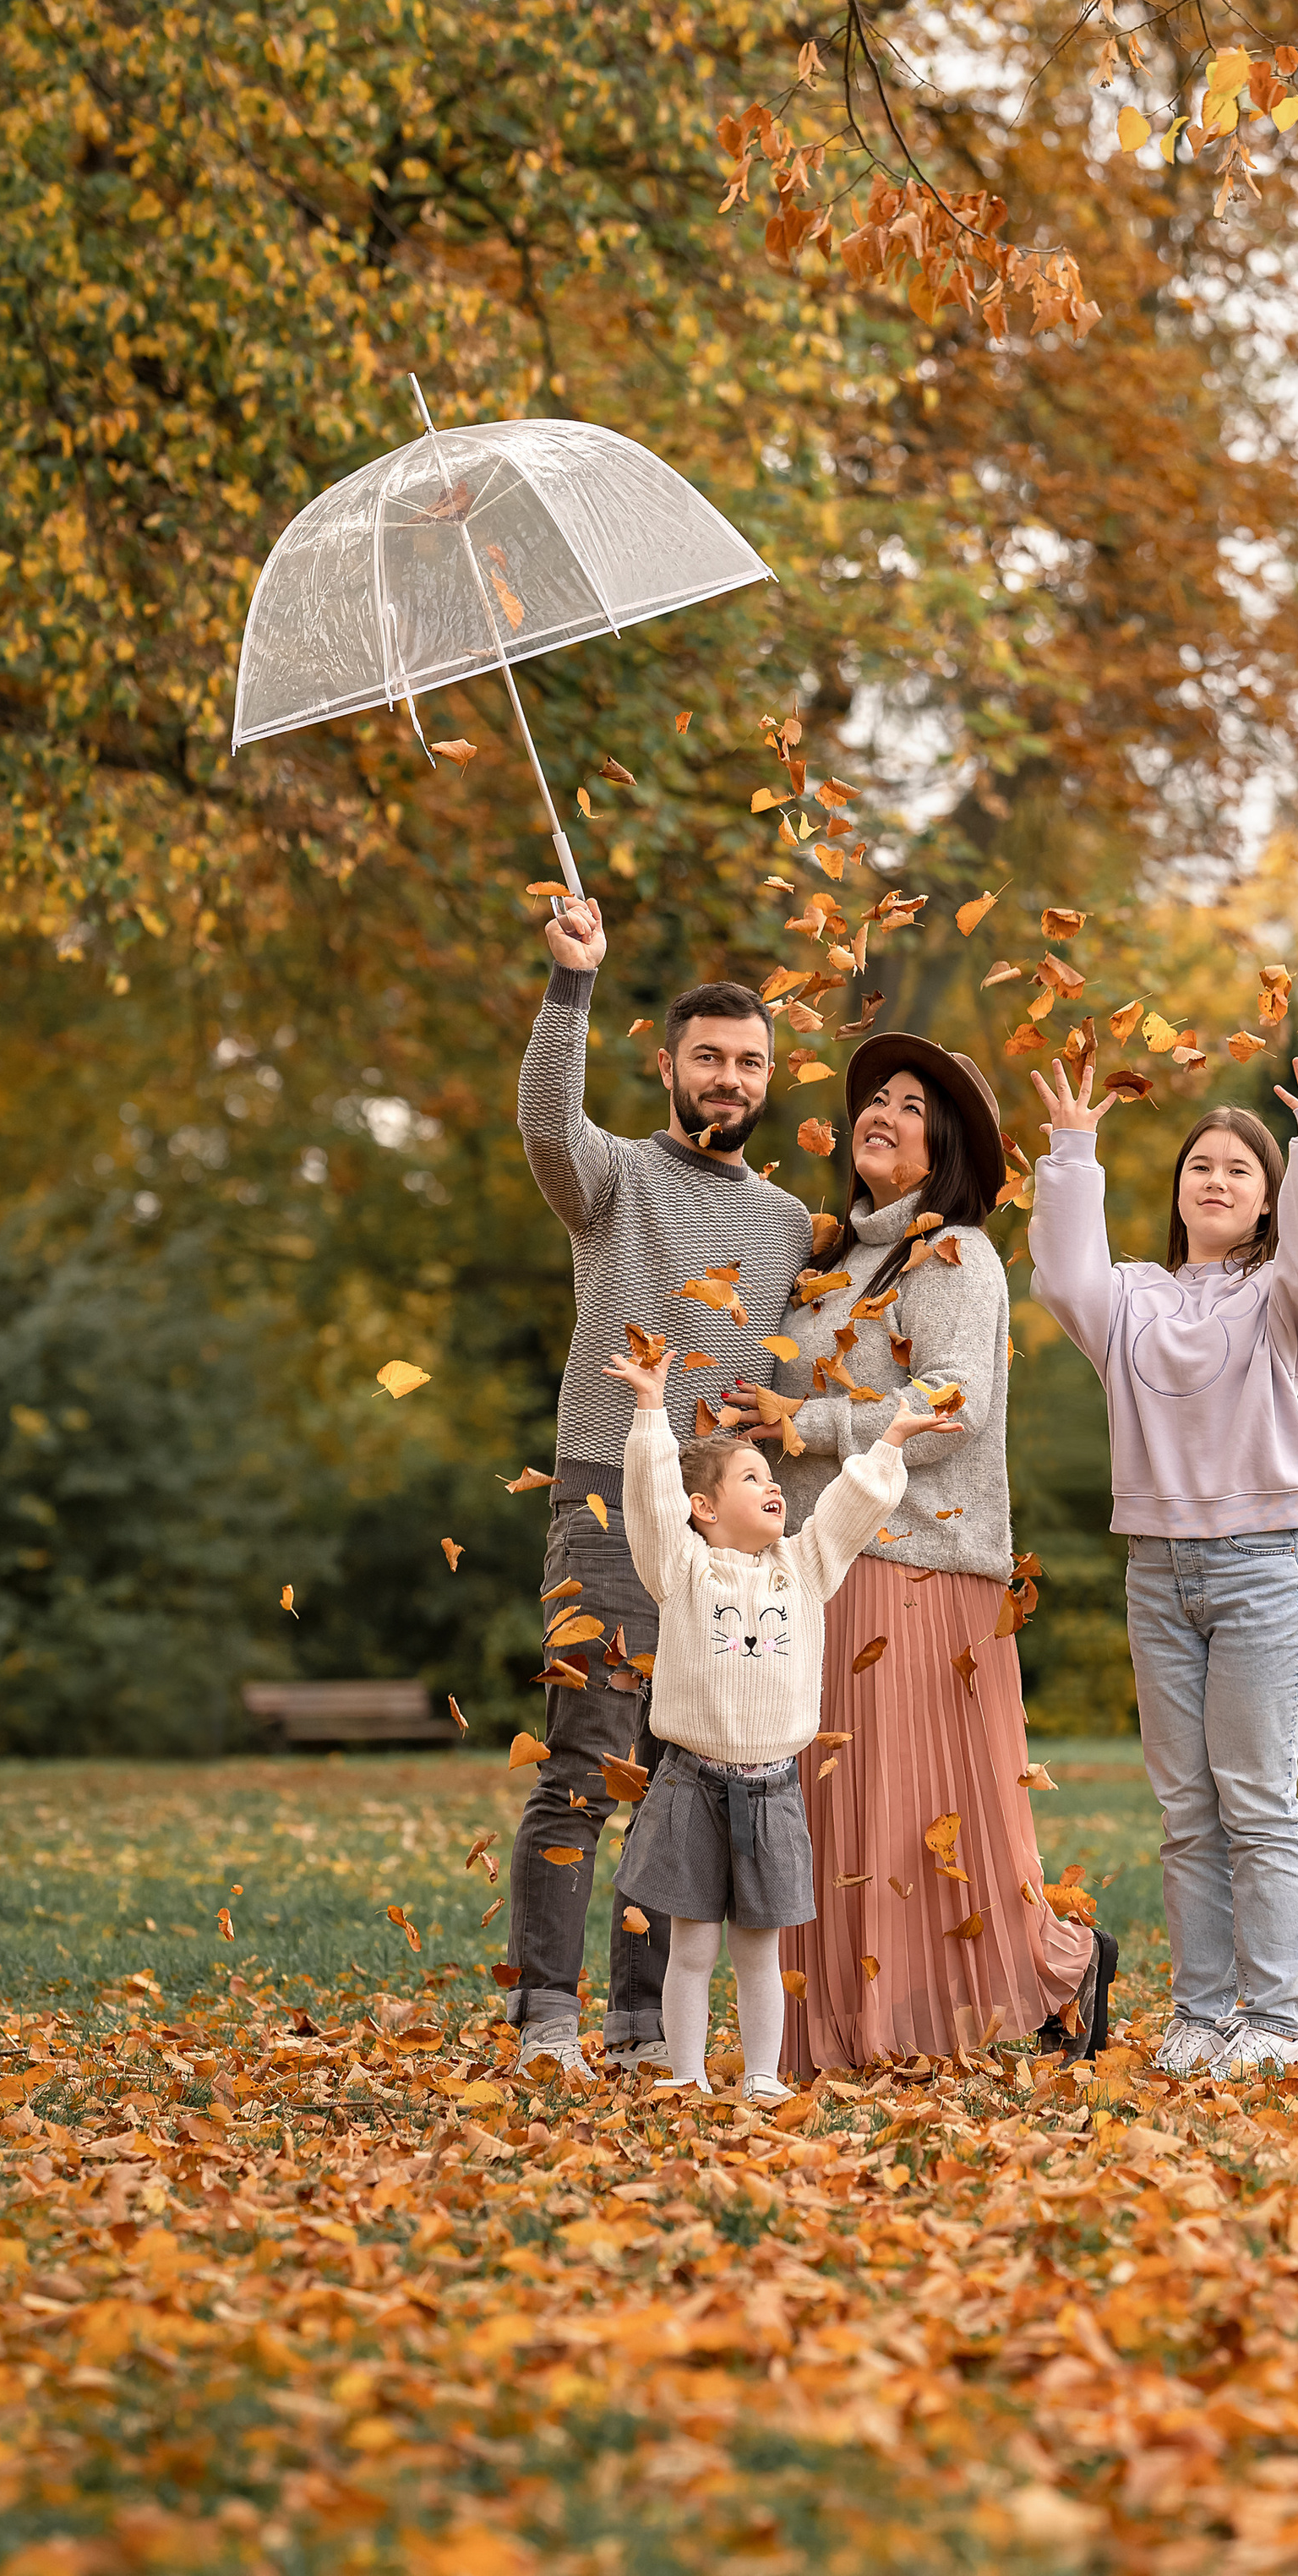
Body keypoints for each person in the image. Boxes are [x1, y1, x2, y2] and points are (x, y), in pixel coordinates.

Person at [746, 1033, 1108, 2070]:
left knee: (912, 1813)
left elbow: (953, 1405)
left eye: (912, 1106)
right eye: (876, 1099)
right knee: (834, 1805)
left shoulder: (954, 1255)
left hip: (918, 1562)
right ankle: (851, 2032)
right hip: (823, 1559)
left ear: (943, 1146)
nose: (884, 1112)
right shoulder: (823, 1263)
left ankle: (1053, 1973)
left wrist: (808, 1425)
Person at [506, 892, 814, 2082]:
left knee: (682, 1775)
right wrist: (572, 982)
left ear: (767, 1080)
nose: (729, 1079)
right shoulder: (616, 1180)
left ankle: (647, 2025)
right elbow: (543, 1127)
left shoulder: (791, 1224)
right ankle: (548, 2016)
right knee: (586, 1761)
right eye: (709, 1058)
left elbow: (809, 1363)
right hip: (605, 1499)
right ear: (671, 1066)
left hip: (724, 1535)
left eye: (749, 1063)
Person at [1028, 1050, 1298, 2080]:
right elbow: (1063, 1276)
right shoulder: (1129, 1298)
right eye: (1198, 1167)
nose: (1214, 1181)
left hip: (1262, 1567)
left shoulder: (1277, 1301)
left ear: (1265, 1205)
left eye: (1238, 1171)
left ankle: (1272, 2022)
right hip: (1158, 1575)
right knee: (1187, 1813)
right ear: (1176, 1191)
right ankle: (1202, 2014)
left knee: (1256, 1799)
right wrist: (1073, 1151)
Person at [601, 1339, 963, 2100]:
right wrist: (648, 1411)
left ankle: (763, 2075)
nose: (775, 1487)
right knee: (692, 1949)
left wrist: (889, 1439)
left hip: (772, 1792)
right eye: (751, 1478)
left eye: (772, 1478)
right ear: (704, 1507)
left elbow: (848, 1507)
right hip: (691, 1785)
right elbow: (652, 1503)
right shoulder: (683, 1568)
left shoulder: (804, 1569)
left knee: (759, 1954)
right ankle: (687, 2075)